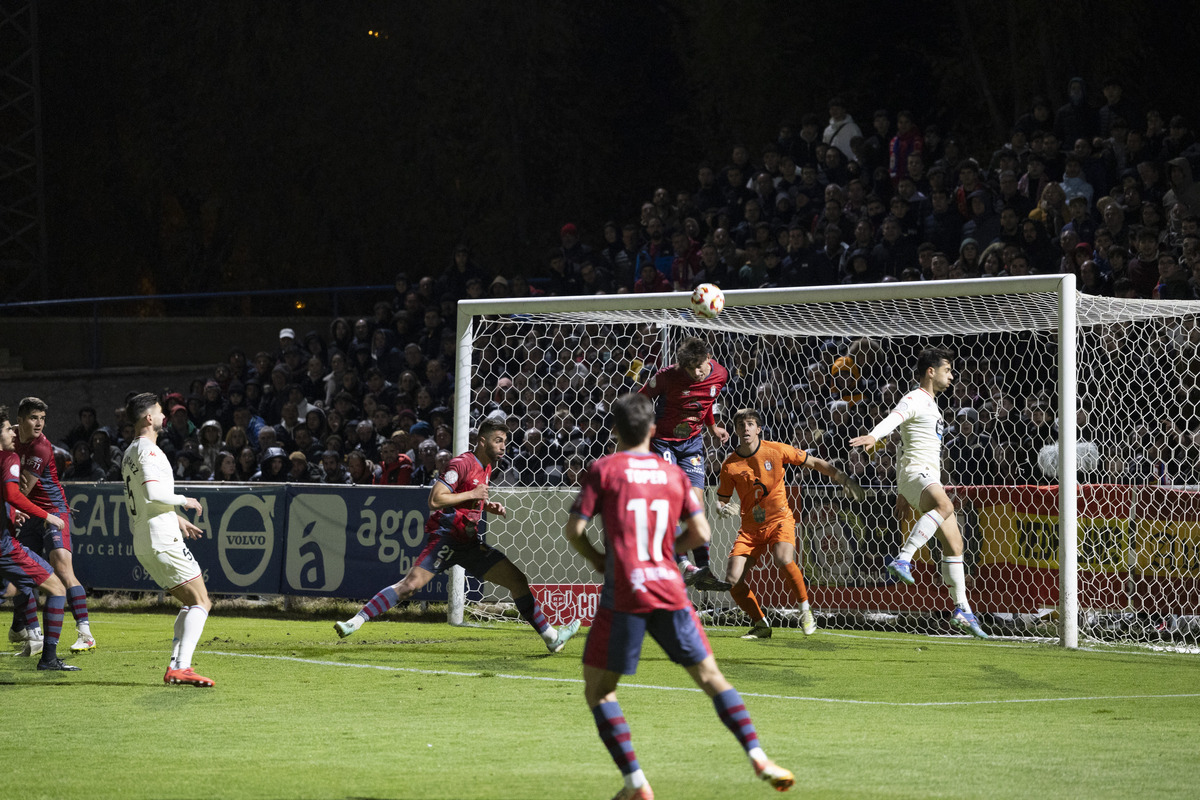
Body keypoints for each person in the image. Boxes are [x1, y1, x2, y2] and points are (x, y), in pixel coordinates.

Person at [563, 393, 794, 799]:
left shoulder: (603, 470)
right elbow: (702, 534)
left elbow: (575, 531)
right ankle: (758, 755)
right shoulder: (672, 476)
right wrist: (668, 554)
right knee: (710, 677)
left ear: (615, 430)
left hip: (627, 591)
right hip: (669, 586)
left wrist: (601, 561)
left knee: (598, 690)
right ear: (653, 431)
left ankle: (636, 783)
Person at [335, 417, 582, 653]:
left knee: (517, 580)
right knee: (409, 586)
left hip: (469, 543)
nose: (503, 446)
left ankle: (551, 638)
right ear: (483, 442)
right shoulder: (461, 463)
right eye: (498, 440)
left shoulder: (486, 466)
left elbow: (467, 497)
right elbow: (435, 500)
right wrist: (474, 495)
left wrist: (486, 506)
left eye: (505, 441)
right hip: (446, 538)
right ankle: (354, 622)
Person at [849, 348, 988, 638]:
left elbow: (902, 445)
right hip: (918, 475)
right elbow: (895, 419)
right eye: (947, 370)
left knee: (955, 545)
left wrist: (902, 490)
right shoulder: (914, 398)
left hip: (917, 478)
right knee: (945, 506)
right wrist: (875, 435)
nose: (951, 375)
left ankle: (962, 609)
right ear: (931, 371)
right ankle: (904, 558)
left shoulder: (933, 406)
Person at [716, 408, 865, 639]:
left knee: (784, 559)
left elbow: (814, 462)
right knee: (732, 581)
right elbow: (721, 501)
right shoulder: (730, 465)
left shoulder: (775, 450)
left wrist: (843, 478)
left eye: (750, 424)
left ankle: (805, 611)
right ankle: (761, 624)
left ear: (759, 428)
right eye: (741, 425)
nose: (745, 428)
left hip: (779, 520)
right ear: (735, 430)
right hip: (750, 530)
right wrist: (724, 509)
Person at [120, 392, 215, 687]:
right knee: (202, 601)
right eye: (161, 411)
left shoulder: (129, 452)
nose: (164, 416)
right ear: (149, 418)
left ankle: (176, 665)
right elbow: (152, 493)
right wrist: (184, 500)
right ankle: (182, 667)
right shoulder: (148, 451)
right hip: (161, 540)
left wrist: (175, 518)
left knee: (190, 602)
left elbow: (145, 500)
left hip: (147, 538)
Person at [637, 336, 731, 590]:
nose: (696, 373)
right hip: (663, 442)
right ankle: (682, 565)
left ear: (708, 358)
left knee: (696, 507)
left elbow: (706, 401)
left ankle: (703, 571)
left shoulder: (720, 374)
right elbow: (640, 398)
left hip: (691, 444)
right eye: (689, 369)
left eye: (699, 366)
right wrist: (640, 427)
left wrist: (712, 427)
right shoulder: (668, 376)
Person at [10, 397, 95, 653]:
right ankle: (32, 634)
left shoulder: (41, 447)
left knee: (63, 570)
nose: (39, 424)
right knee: (22, 574)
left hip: (51, 512)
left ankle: (85, 633)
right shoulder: (10, 437)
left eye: (42, 418)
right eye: (34, 418)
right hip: (28, 513)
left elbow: (22, 489)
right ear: (21, 420)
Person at [1, 406, 79, 671]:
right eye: (5, 428)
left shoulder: (28, 450)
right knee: (56, 587)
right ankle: (48, 658)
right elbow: (14, 494)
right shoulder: (9, 458)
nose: (11, 432)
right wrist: (46, 515)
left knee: (23, 582)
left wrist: (13, 513)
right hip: (3, 545)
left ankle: (28, 632)